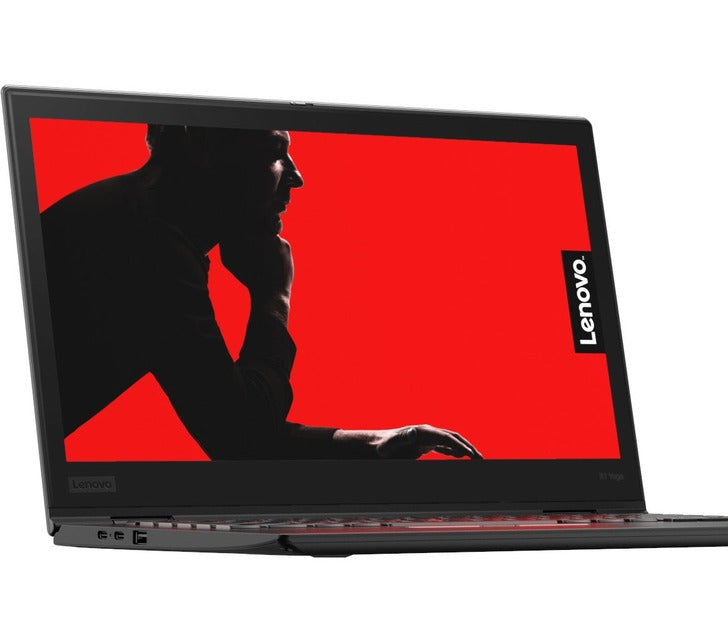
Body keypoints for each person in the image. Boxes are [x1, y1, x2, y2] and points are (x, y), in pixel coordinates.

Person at [41, 124, 482, 461]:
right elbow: (239, 435)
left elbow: (231, 418)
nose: (297, 176)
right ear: (203, 146)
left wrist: (378, 442)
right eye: (275, 152)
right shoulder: (149, 245)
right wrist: (274, 294)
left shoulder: (141, 223)